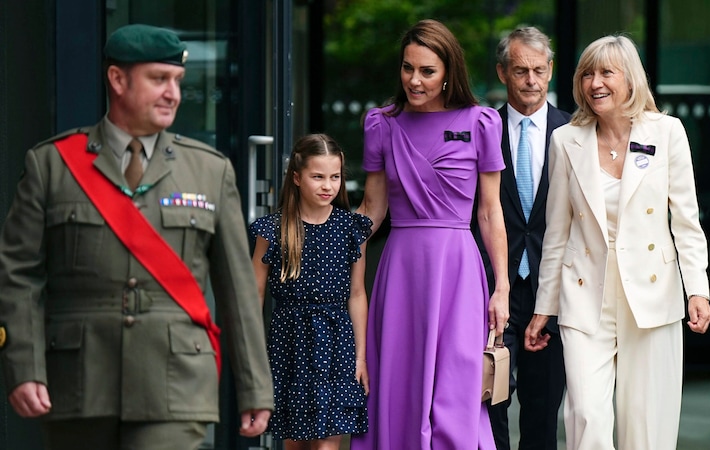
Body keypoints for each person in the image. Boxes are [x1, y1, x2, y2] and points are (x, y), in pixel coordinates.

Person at [0, 24, 273, 449]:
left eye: (178, 82)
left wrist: (256, 387)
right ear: (118, 79)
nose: (173, 94)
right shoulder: (51, 166)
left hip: (175, 385)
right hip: (78, 383)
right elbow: (19, 277)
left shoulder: (210, 170)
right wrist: (24, 366)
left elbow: (238, 289)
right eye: (158, 79)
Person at [524, 35, 710, 450]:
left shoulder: (667, 133)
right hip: (584, 293)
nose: (595, 83)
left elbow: (686, 221)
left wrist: (697, 290)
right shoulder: (566, 141)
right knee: (587, 416)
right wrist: (544, 307)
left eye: (606, 72)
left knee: (645, 425)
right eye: (587, 74)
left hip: (651, 293)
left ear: (630, 79)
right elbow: (557, 233)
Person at [350, 19, 510, 450]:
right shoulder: (381, 124)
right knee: (400, 379)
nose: (414, 80)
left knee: (457, 384)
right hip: (402, 268)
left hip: (458, 269)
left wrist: (503, 287)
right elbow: (371, 208)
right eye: (407, 68)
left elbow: (490, 211)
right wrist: (334, 259)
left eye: (427, 71)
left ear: (447, 74)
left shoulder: (481, 122)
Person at [473, 27, 570, 450]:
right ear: (501, 73)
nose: (531, 81)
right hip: (493, 286)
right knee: (488, 401)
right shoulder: (482, 127)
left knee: (543, 407)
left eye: (538, 70)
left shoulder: (574, 132)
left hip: (555, 289)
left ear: (550, 71)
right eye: (520, 71)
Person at [249, 134, 371, 450]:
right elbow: (254, 295)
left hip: (336, 344)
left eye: (335, 177)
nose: (327, 185)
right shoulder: (273, 229)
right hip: (289, 343)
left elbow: (357, 294)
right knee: (294, 443)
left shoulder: (351, 229)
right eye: (318, 176)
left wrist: (361, 356)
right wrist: (254, 355)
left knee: (328, 443)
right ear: (297, 177)